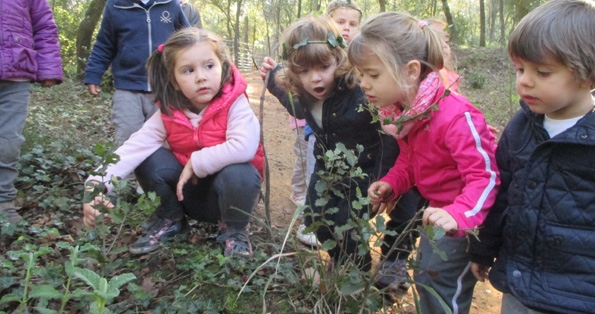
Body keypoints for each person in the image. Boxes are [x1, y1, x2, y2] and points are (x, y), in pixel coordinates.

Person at [349, 12, 500, 313]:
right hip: (440, 214)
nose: (363, 84)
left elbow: (486, 177)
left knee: (440, 282)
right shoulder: (409, 111)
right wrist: (393, 182)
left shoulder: (455, 116)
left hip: (468, 218)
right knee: (427, 274)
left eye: (373, 75)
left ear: (410, 70)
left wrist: (458, 214)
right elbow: (411, 159)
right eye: (361, 75)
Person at [82, 27, 264, 259]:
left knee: (242, 171)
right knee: (146, 156)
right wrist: (96, 182)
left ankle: (234, 231)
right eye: (188, 70)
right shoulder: (168, 112)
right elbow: (133, 148)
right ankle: (171, 219)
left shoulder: (236, 104)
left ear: (223, 67)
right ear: (175, 81)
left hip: (229, 198)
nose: (201, 77)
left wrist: (197, 161)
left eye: (209, 66)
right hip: (185, 194)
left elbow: (245, 146)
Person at [469, 1, 595, 313]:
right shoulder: (522, 125)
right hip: (520, 286)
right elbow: (501, 192)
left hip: (583, 296)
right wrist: (483, 250)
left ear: (587, 75)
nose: (525, 81)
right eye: (520, 69)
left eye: (542, 72)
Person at [260, 15, 401, 276]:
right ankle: (341, 258)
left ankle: (355, 269)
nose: (315, 79)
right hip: (327, 164)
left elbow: (391, 130)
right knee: (316, 220)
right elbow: (298, 108)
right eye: (304, 71)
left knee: (345, 221)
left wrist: (388, 179)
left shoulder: (358, 91)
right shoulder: (304, 91)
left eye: (324, 66)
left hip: (367, 168)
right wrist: (271, 81)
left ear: (339, 59)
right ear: (294, 71)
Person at [84, 0, 189, 146]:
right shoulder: (116, 5)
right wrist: (94, 73)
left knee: (165, 140)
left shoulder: (170, 4)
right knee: (128, 137)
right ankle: (128, 169)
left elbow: (187, 40)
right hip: (127, 87)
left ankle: (163, 169)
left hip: (164, 88)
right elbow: (104, 44)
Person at [0, 0, 63, 224]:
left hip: (15, 74)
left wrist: (48, 68)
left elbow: (44, 25)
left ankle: (3, 202)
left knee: (8, 140)